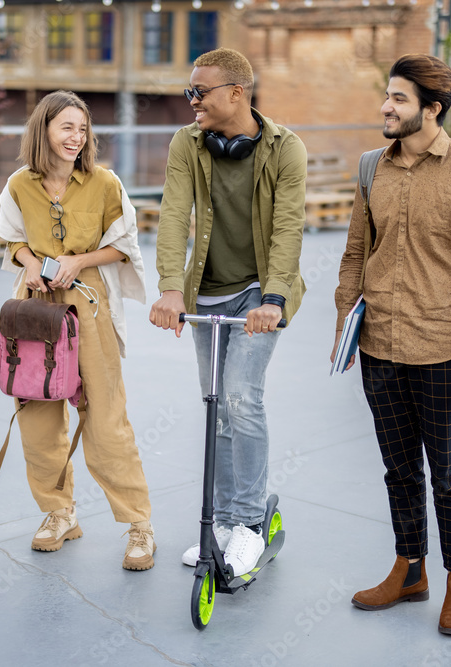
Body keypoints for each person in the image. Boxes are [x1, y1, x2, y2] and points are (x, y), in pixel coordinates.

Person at [331, 54, 451, 636]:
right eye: (387, 96)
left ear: (431, 109)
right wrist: (344, 329)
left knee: (449, 474)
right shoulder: (370, 169)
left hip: (443, 351)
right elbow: (356, 253)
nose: (386, 106)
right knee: (398, 470)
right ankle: (410, 571)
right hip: (379, 345)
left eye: (400, 99)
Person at [149, 48, 307, 577]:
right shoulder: (187, 144)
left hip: (261, 294)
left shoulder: (286, 149)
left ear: (236, 93)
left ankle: (248, 526)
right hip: (207, 292)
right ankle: (217, 524)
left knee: (241, 398)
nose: (192, 101)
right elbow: (174, 214)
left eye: (201, 92)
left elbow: (288, 228)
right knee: (216, 408)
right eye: (189, 91)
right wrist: (171, 288)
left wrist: (275, 299)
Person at [0, 91, 156, 571]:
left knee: (106, 418)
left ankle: (139, 524)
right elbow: (11, 239)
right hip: (35, 311)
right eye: (67, 127)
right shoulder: (19, 185)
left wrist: (77, 262)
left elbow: (125, 246)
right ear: (43, 129)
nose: (76, 137)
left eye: (82, 129)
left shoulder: (105, 183)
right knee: (38, 417)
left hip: (88, 308)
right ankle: (58, 513)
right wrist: (31, 263)